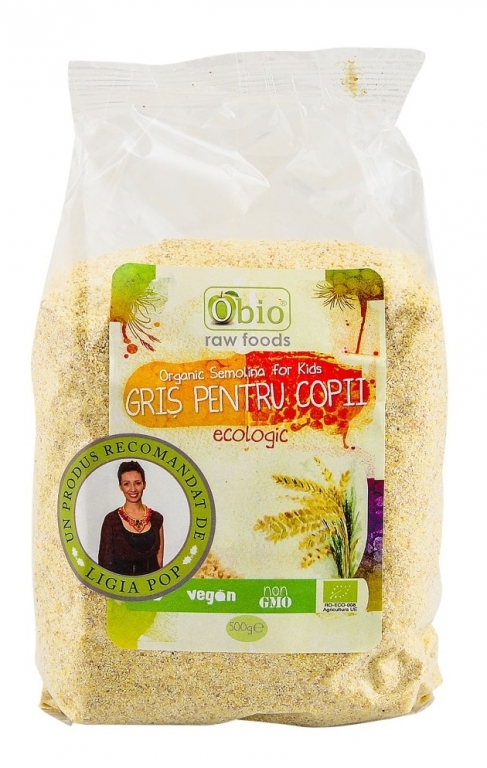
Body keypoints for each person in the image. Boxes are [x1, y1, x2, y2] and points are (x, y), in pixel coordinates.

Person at [98, 461, 164, 575]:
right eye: (126, 484)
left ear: (144, 484)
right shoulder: (111, 520)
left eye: (137, 483)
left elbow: (159, 563)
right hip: (121, 585)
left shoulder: (156, 518)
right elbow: (104, 565)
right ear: (120, 487)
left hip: (150, 584)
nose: (133, 489)